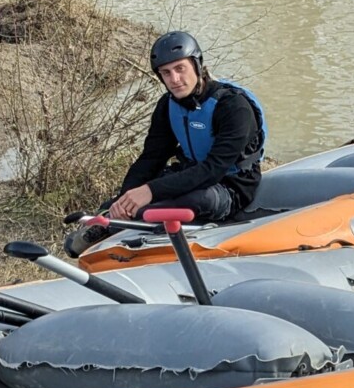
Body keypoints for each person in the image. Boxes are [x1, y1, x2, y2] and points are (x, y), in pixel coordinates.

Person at [65, 31, 266, 256]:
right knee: (127, 199)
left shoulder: (233, 107)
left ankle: (116, 225)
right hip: (191, 173)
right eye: (166, 73)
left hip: (231, 187)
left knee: (187, 200)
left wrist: (150, 191)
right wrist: (126, 196)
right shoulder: (168, 105)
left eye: (180, 69)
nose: (175, 79)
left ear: (197, 65)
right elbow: (152, 158)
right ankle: (107, 220)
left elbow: (214, 169)